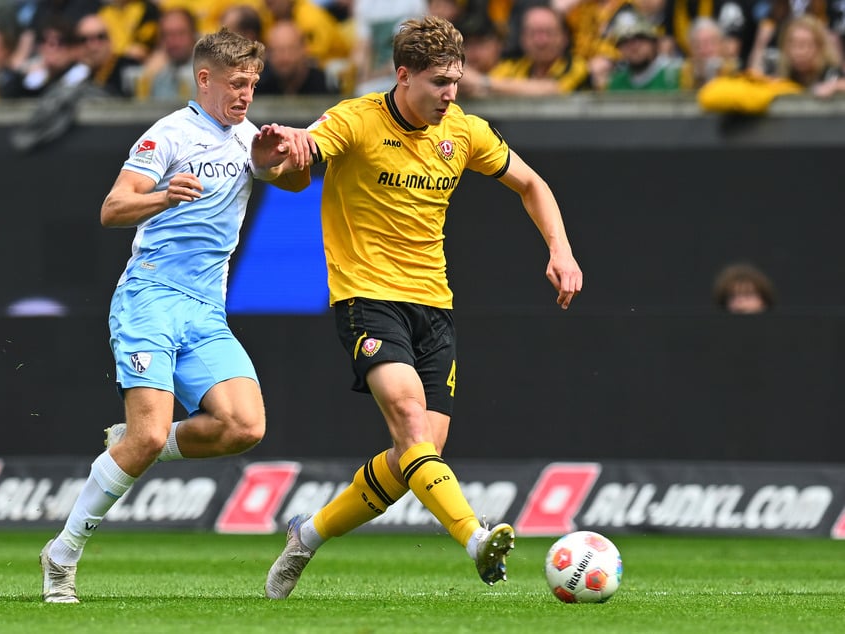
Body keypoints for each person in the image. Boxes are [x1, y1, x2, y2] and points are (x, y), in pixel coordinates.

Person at [264, 15, 583, 599]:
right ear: (403, 74)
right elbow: (292, 172)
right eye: (439, 82)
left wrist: (560, 252)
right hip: (366, 298)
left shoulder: (462, 130)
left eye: (456, 80)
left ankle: (305, 535)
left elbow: (532, 184)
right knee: (411, 423)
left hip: (434, 308)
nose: (450, 94)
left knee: (417, 456)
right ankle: (474, 537)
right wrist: (275, 157)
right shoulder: (354, 120)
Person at [39, 27, 315, 604]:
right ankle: (62, 554)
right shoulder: (168, 134)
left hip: (205, 310)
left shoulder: (247, 137)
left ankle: (141, 441)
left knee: (244, 427)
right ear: (205, 79)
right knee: (142, 435)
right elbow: (112, 208)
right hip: (150, 299)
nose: (246, 94)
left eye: (253, 84)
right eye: (237, 84)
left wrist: (276, 161)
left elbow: (293, 184)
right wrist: (162, 196)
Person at [465, 5, 591, 98]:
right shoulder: (514, 67)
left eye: (548, 33)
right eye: (533, 33)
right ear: (522, 38)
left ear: (564, 38)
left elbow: (552, 90)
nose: (541, 41)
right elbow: (482, 88)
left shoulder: (577, 65)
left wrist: (482, 82)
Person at [133, 6, 199, 100]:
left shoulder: (210, 68)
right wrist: (148, 76)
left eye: (180, 33)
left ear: (194, 35)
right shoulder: (157, 72)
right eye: (167, 35)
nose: (174, 41)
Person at [255, 18, 335, 94]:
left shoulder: (324, 86)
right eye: (276, 51)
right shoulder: (259, 87)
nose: (283, 58)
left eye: (290, 49)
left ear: (304, 50)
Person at [605, 15, 683, 91]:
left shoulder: (676, 75)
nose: (634, 47)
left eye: (640, 38)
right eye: (625, 41)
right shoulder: (616, 83)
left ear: (654, 43)